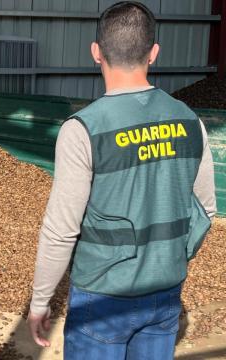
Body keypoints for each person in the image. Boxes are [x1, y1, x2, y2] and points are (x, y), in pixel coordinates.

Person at [26, 2, 217, 359]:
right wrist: (169, 257)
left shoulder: (83, 129)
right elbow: (205, 210)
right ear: (154, 53)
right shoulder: (192, 122)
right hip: (164, 293)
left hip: (102, 297)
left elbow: (61, 229)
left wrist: (40, 301)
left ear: (96, 52)